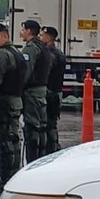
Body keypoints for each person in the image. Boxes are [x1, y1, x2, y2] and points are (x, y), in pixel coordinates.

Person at [0, 23, 26, 191]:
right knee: (14, 139)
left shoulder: (3, 55)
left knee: (4, 140)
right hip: (16, 100)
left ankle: (5, 177)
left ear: (5, 36)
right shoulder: (18, 53)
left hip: (4, 101)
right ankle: (15, 173)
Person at [19, 20, 54, 164]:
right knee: (41, 126)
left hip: (32, 91)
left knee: (32, 127)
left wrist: (19, 88)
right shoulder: (43, 47)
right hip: (42, 90)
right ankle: (42, 158)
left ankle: (32, 161)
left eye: (23, 30)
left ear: (28, 31)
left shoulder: (31, 48)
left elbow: (26, 71)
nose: (21, 33)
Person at [41, 26, 68, 155]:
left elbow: (46, 73)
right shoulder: (60, 53)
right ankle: (54, 147)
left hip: (50, 92)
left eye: (42, 36)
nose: (40, 38)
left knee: (48, 124)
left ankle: (51, 150)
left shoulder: (49, 55)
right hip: (57, 92)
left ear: (48, 38)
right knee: (52, 122)